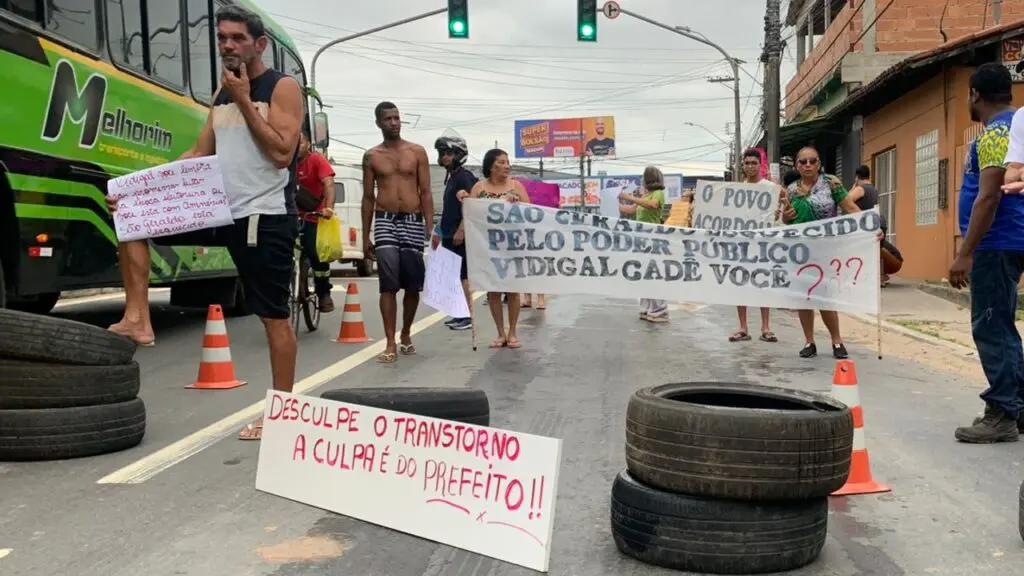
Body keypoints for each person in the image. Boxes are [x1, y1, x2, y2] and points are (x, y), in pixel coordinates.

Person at [104, 7, 304, 441]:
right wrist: (140, 189)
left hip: (263, 217)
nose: (228, 45)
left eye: (237, 38)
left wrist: (246, 99)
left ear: (259, 45)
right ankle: (138, 318)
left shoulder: (282, 87)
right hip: (217, 207)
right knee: (132, 217)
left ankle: (282, 415)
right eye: (222, 38)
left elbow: (281, 154)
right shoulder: (221, 94)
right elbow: (198, 153)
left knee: (273, 318)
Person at [948, 63, 1022, 443]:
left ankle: (1002, 414)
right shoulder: (1016, 127)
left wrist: (965, 253)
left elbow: (989, 196)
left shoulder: (996, 133)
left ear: (975, 94)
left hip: (995, 244)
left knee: (992, 327)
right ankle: (1017, 408)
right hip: (1009, 240)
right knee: (1003, 324)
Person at [781, 145, 870, 360]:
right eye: (803, 161)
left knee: (825, 296)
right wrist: (786, 216)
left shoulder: (831, 183)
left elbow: (850, 208)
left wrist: (870, 227)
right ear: (797, 165)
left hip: (826, 250)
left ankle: (836, 341)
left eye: (812, 161)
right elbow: (785, 220)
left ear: (819, 164)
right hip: (800, 252)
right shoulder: (790, 190)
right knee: (803, 297)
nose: (808, 165)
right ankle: (809, 341)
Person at [362, 102, 433, 363]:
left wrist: (429, 226)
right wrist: (365, 236)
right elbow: (368, 197)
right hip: (385, 220)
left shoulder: (417, 152)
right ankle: (390, 341)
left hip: (412, 220)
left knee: (413, 284)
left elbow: (426, 191)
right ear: (378, 123)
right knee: (388, 283)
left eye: (396, 118)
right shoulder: (372, 156)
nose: (394, 123)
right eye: (388, 119)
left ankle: (406, 332)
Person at [468, 149, 530, 348]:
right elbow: (470, 214)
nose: (507, 166)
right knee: (493, 291)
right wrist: (463, 198)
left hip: (512, 245)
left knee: (513, 289)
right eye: (502, 162)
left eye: (507, 162)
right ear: (491, 166)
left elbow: (531, 213)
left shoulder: (516, 187)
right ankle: (500, 333)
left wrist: (517, 203)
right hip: (487, 247)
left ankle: (513, 332)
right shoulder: (479, 188)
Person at [730, 149, 780, 343]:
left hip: (763, 244)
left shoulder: (770, 187)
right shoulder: (737, 190)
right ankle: (743, 327)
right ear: (743, 165)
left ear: (760, 165)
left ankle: (765, 327)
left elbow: (781, 206)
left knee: (762, 284)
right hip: (741, 244)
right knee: (740, 284)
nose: (750, 166)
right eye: (747, 163)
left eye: (754, 163)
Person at [431, 130, 476, 331]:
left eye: (448, 153)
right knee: (455, 276)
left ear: (459, 154)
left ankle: (467, 315)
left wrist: (461, 230)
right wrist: (439, 231)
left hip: (460, 236)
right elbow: (449, 209)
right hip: (448, 234)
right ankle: (459, 313)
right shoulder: (452, 178)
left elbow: (471, 206)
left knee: (464, 276)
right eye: (442, 153)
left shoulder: (464, 177)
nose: (444, 157)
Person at [619, 166, 669, 323]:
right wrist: (613, 203)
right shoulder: (645, 196)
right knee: (645, 274)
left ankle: (660, 310)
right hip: (642, 239)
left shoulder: (658, 194)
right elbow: (631, 210)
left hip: (654, 238)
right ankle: (646, 308)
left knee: (654, 273)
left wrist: (629, 197)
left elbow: (652, 205)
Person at [295, 132, 336, 312]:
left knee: (315, 252)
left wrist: (328, 208)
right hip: (289, 216)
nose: (297, 146)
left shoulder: (317, 160)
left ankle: (323, 292)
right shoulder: (284, 162)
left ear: (308, 144)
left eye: (300, 142)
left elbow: (329, 184)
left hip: (313, 216)